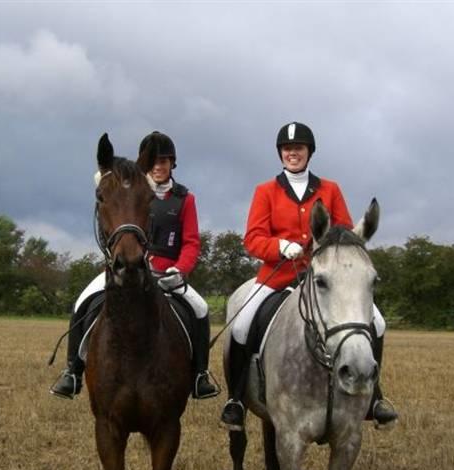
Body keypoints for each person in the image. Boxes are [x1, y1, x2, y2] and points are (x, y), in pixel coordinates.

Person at [220, 121, 398, 430]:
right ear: (281, 154)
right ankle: (236, 399)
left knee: (377, 322)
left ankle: (373, 398)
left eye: (298, 148)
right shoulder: (266, 191)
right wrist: (280, 246)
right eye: (288, 149)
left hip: (325, 278)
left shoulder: (330, 189)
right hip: (277, 276)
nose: (293, 153)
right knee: (243, 323)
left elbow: (343, 231)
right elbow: (253, 239)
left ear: (308, 152)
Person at [50, 131, 219, 400]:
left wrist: (180, 269)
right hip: (125, 266)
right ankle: (72, 370)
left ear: (172, 164)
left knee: (200, 308)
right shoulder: (131, 191)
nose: (159, 167)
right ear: (145, 164)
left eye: (164, 161)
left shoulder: (184, 198)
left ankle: (200, 375)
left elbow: (191, 242)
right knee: (82, 302)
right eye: (155, 162)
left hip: (167, 272)